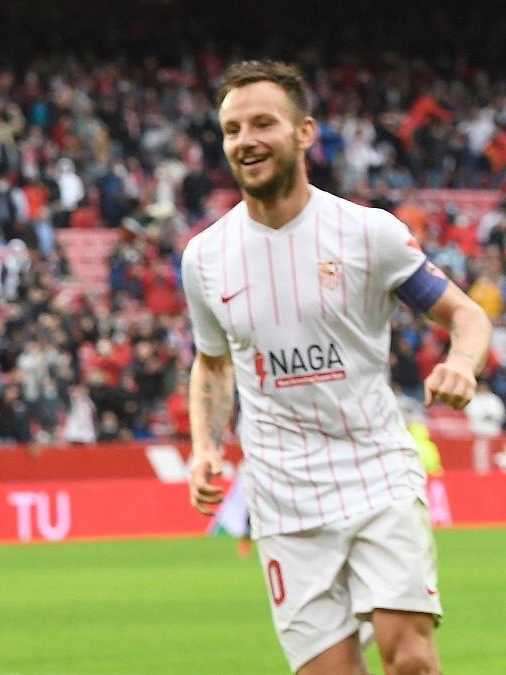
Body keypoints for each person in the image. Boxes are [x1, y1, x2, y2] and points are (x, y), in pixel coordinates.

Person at [182, 60, 491, 675]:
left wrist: (461, 364)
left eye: (263, 123)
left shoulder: (366, 234)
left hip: (375, 473)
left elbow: (466, 316)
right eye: (233, 128)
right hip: (284, 497)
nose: (246, 140)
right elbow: (212, 365)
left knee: (412, 660)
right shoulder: (205, 258)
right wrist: (203, 447)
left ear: (304, 133)